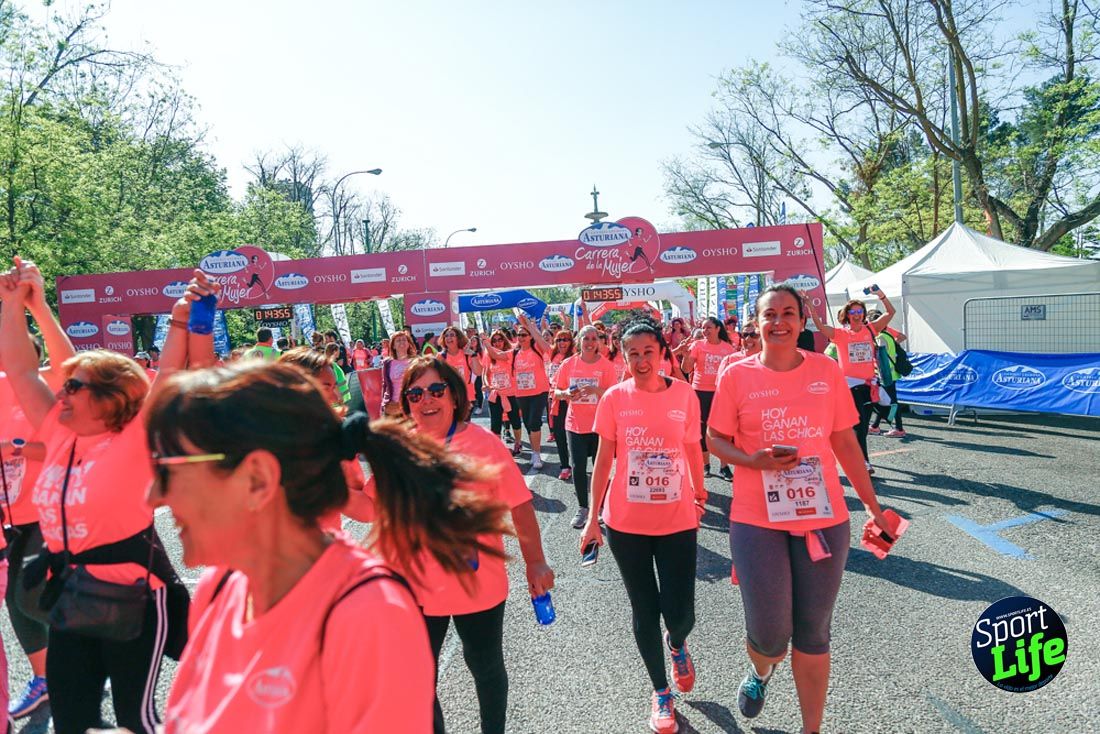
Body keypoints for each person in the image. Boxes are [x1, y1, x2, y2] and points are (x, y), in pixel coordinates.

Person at [146, 360, 506, 732]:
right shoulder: (219, 586)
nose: (153, 495)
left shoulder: (365, 616)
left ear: (258, 479)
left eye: (170, 469)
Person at [0, 257, 209, 734]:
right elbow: (19, 367)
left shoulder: (135, 438)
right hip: (74, 595)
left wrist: (181, 317)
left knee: (136, 717)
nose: (62, 390)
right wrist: (15, 304)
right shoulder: (58, 431)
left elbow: (172, 370)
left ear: (111, 398)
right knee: (73, 720)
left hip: (134, 596)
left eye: (72, 386)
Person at [706, 283, 895, 734]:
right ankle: (760, 671)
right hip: (757, 518)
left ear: (802, 320)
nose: (779, 322)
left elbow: (845, 442)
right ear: (756, 323)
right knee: (771, 637)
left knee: (814, 632)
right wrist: (751, 461)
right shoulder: (736, 374)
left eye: (788, 313)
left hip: (823, 516)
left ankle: (812, 729)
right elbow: (713, 439)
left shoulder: (826, 370)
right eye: (769, 315)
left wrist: (873, 506)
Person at [347, 358, 554, 734]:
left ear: (454, 395)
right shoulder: (401, 448)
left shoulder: (485, 443)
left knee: (485, 665)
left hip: (477, 584)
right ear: (406, 402)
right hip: (416, 587)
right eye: (415, 393)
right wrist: (323, 473)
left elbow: (520, 505)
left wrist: (535, 562)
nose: (426, 400)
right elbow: (367, 507)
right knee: (417, 679)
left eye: (436, 390)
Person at [580, 317, 705, 734]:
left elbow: (692, 447)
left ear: (662, 353)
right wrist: (593, 519)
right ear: (623, 355)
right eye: (632, 353)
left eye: (648, 351)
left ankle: (678, 644)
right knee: (643, 609)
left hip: (677, 518)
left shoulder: (685, 395)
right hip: (626, 522)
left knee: (681, 612)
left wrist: (700, 493)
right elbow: (603, 460)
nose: (640, 360)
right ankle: (661, 692)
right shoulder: (615, 398)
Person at [1, 280, 74, 722]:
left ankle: (65, 667)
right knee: (21, 599)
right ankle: (50, 675)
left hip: (49, 512)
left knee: (25, 595)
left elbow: (67, 446)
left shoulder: (44, 381)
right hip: (6, 518)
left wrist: (15, 447)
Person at [805, 288, 896, 474]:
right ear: (847, 315)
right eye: (853, 312)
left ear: (863, 314)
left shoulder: (870, 329)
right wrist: (809, 306)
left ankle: (854, 456)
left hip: (869, 385)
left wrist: (881, 295)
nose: (856, 315)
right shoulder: (840, 334)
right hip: (850, 386)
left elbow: (890, 313)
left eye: (859, 311)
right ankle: (863, 462)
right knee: (860, 425)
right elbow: (821, 327)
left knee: (867, 423)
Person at [552, 325, 615, 529]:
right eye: (585, 338)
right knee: (578, 467)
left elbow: (613, 394)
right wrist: (566, 395)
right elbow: (556, 391)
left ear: (598, 342)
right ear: (579, 341)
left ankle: (601, 507)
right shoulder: (569, 364)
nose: (589, 342)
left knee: (601, 467)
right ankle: (583, 508)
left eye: (593, 338)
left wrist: (595, 389)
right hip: (575, 424)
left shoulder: (606, 366)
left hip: (599, 425)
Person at [679, 316, 736, 477]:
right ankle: (706, 465)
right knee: (702, 429)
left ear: (718, 328)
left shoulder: (728, 349)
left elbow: (732, 374)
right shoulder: (697, 345)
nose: (705, 331)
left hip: (720, 393)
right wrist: (685, 355)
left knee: (723, 430)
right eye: (703, 328)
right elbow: (687, 368)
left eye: (708, 328)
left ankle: (724, 466)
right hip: (700, 391)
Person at [506, 315, 552, 473]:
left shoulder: (537, 349)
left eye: (524, 335)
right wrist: (485, 342)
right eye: (519, 335)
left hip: (539, 392)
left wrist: (530, 326)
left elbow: (546, 347)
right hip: (521, 394)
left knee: (534, 421)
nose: (521, 337)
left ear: (530, 336)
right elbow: (497, 355)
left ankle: (537, 454)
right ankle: (534, 451)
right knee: (527, 423)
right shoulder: (514, 352)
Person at [866, 309, 908, 438]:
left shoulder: (880, 337)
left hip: (885, 375)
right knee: (882, 401)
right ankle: (875, 426)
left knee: (891, 402)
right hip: (890, 374)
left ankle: (899, 428)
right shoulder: (888, 335)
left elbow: (881, 357)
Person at [483, 330, 522, 450]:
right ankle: (497, 448)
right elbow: (485, 372)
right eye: (494, 341)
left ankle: (518, 443)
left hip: (510, 393)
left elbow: (497, 355)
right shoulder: (489, 355)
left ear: (504, 340)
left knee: (515, 419)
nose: (497, 343)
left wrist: (485, 341)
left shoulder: (510, 353)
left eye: (500, 340)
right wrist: (486, 384)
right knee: (495, 422)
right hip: (495, 394)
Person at [546, 329, 575, 481]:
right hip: (556, 399)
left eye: (565, 339)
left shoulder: (575, 357)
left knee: (575, 434)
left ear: (571, 342)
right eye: (559, 340)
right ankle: (565, 466)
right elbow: (539, 340)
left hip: (573, 401)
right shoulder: (553, 355)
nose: (562, 342)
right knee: (559, 434)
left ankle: (579, 463)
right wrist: (529, 325)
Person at [437, 326, 480, 415]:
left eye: (452, 335)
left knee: (464, 426)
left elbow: (478, 372)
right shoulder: (441, 357)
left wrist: (473, 355)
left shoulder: (466, 354)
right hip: (449, 397)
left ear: (458, 338)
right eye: (446, 336)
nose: (449, 338)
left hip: (466, 397)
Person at [381, 331, 416, 417]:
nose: (402, 342)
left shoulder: (415, 361)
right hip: (392, 405)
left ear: (408, 344)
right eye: (398, 340)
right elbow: (385, 384)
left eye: (404, 340)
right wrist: (384, 404)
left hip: (410, 405)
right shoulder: (387, 363)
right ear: (393, 346)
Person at [468, 334, 486, 415]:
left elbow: (483, 364)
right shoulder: (468, 351)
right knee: (472, 389)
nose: (472, 342)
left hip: (478, 374)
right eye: (471, 340)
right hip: (470, 373)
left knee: (478, 390)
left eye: (474, 341)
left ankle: (480, 407)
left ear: (478, 342)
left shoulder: (480, 352)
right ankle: (473, 404)